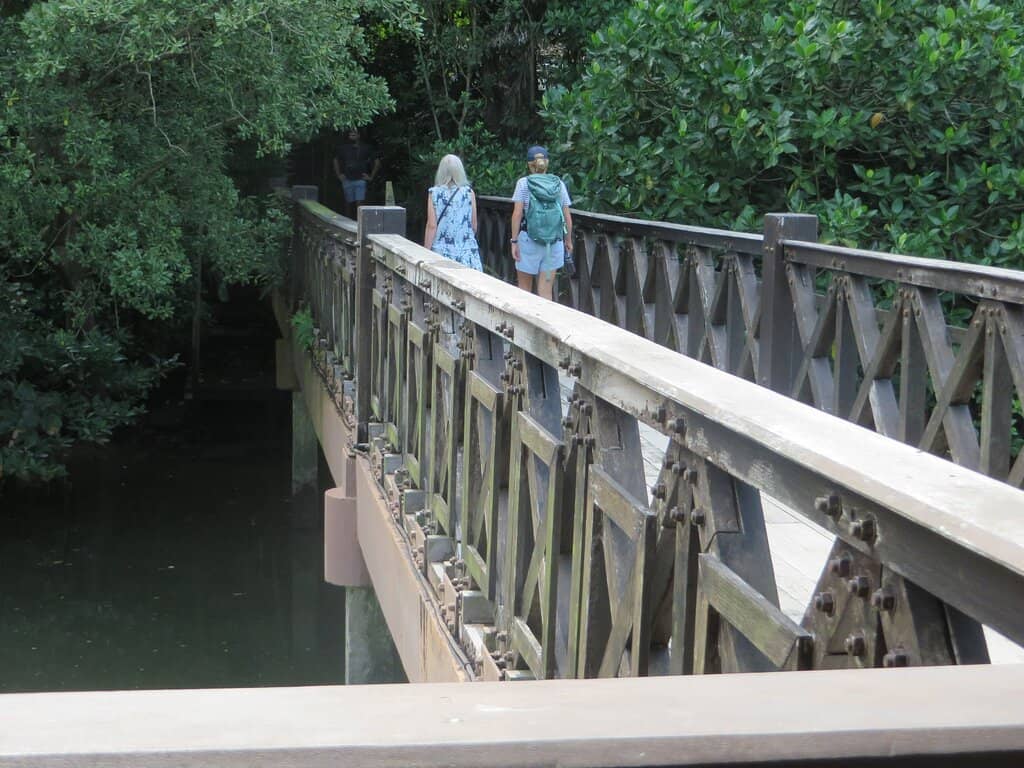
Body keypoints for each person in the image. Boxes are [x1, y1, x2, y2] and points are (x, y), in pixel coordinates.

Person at [510, 145, 573, 301]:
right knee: (546, 293)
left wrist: (514, 241)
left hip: (529, 241)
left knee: (524, 291)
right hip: (553, 243)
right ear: (547, 163)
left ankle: (524, 324)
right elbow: (566, 216)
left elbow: (517, 214)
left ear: (529, 164)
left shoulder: (523, 183)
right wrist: (568, 240)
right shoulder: (558, 184)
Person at [423, 154, 482, 271]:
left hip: (441, 254)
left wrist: (425, 253)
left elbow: (432, 226)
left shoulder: (434, 193)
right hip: (467, 254)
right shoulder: (469, 193)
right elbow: (473, 225)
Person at [333, 128, 381, 220]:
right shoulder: (343, 148)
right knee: (348, 204)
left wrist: (371, 177)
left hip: (360, 179)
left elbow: (377, 162)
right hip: (347, 179)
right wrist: (339, 174)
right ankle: (347, 223)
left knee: (359, 204)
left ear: (359, 135)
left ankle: (359, 224)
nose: (352, 134)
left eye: (355, 132)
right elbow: (335, 160)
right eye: (351, 132)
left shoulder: (366, 147)